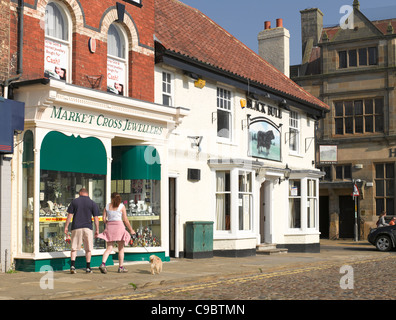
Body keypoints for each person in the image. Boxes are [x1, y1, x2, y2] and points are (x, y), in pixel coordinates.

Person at [97, 192, 135, 273]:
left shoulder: (107, 206)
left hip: (110, 227)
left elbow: (104, 219)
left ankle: (103, 264)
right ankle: (120, 267)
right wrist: (131, 230)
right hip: (119, 227)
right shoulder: (122, 206)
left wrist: (107, 222)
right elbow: (125, 220)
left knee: (109, 248)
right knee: (121, 249)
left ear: (111, 198)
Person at [64, 188, 100, 274]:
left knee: (74, 248)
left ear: (80, 193)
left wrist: (66, 226)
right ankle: (88, 267)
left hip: (76, 227)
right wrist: (97, 229)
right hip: (88, 228)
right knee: (88, 249)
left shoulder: (74, 202)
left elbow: (69, 215)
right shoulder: (92, 203)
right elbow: (96, 218)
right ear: (87, 193)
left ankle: (72, 266)